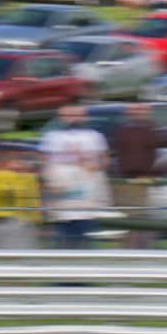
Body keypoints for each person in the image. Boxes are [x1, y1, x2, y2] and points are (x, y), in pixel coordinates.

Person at [39, 104, 109, 249]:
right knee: (62, 230)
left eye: (76, 115)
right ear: (60, 118)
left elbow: (104, 159)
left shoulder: (95, 136)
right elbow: (44, 161)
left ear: (84, 117)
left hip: (86, 190)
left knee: (84, 228)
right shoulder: (51, 137)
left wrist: (94, 166)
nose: (72, 119)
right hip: (60, 191)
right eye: (67, 116)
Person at [110, 102, 163, 247]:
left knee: (146, 219)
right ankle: (131, 250)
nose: (138, 113)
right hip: (129, 181)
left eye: (142, 111)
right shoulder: (123, 131)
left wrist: (151, 174)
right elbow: (120, 154)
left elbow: (156, 151)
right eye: (134, 111)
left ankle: (144, 250)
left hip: (146, 181)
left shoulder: (151, 129)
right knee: (133, 219)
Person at [0, 148, 40, 249]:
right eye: (11, 161)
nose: (15, 164)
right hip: (2, 220)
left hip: (20, 221)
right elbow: (1, 190)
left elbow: (29, 196)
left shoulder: (24, 177)